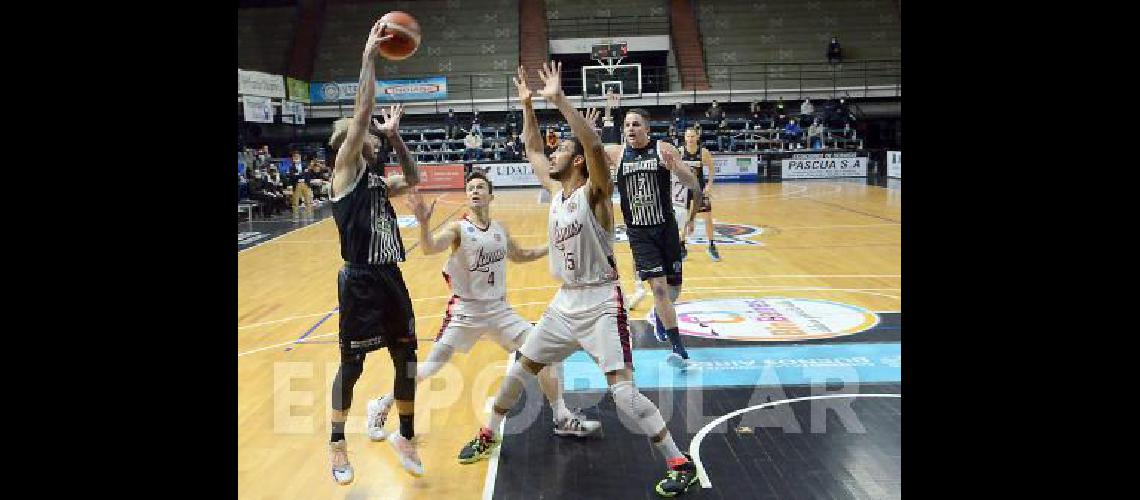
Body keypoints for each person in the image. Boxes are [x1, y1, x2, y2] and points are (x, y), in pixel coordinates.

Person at [455, 62, 701, 498]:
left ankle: (680, 463)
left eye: (560, 152)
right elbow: (532, 147)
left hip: (602, 302)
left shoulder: (597, 193)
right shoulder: (556, 192)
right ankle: (487, 434)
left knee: (624, 396)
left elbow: (590, 145)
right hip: (564, 304)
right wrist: (527, 106)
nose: (551, 155)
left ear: (579, 163)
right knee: (520, 370)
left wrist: (560, 101)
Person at [365, 171, 602, 443]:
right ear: (467, 197)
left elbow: (522, 255)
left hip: (499, 312)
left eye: (480, 187)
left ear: (491, 196)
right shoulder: (458, 229)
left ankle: (561, 417)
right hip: (465, 313)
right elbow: (429, 248)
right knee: (429, 369)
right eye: (470, 188)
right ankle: (382, 404)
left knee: (543, 353)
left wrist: (554, 245)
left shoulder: (500, 230)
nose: (475, 191)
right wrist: (423, 224)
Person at [325, 20, 424, 485]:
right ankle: (337, 442)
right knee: (353, 364)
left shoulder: (379, 180)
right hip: (360, 280)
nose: (369, 135)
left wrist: (397, 136)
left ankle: (405, 434)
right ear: (348, 142)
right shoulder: (345, 172)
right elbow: (362, 112)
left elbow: (415, 178)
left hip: (390, 276)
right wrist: (368, 57)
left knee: (407, 357)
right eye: (362, 133)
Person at [605, 103, 703, 372]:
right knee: (658, 289)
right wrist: (593, 130)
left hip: (666, 228)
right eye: (626, 125)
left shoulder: (663, 150)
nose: (630, 129)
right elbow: (588, 154)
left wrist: (677, 169)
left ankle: (662, 317)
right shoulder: (617, 153)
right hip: (639, 232)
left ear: (647, 129)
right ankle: (678, 348)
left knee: (672, 291)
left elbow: (692, 184)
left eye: (636, 124)